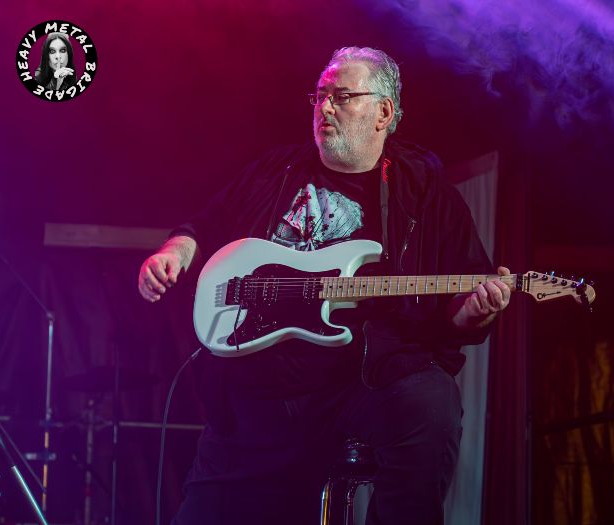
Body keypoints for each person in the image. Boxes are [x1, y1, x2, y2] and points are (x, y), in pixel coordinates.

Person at [138, 46, 511, 525]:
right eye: (319, 96)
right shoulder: (273, 172)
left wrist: (473, 312)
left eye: (342, 96)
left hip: (365, 381)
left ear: (384, 113)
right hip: (262, 386)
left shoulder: (425, 194)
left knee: (431, 402)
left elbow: (457, 308)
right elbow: (201, 228)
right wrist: (172, 254)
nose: (325, 107)